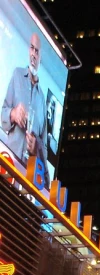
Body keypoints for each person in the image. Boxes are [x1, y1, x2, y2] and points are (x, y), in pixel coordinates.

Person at [1, 32, 49, 182]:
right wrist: (13, 114)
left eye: (37, 51)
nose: (33, 54)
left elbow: (45, 150)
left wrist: (36, 148)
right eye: (31, 48)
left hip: (26, 178)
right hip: (6, 165)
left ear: (41, 58)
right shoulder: (17, 75)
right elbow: (2, 115)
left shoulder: (42, 102)